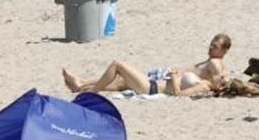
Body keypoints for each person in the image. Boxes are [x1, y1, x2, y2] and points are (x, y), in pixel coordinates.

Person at [62, 33, 232, 97]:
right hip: (156, 81)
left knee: (117, 65)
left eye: (215, 46)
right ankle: (81, 85)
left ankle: (91, 91)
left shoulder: (215, 62)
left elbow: (219, 74)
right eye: (211, 43)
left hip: (154, 86)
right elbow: (224, 74)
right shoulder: (215, 62)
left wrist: (223, 79)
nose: (210, 47)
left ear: (224, 51)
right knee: (120, 82)